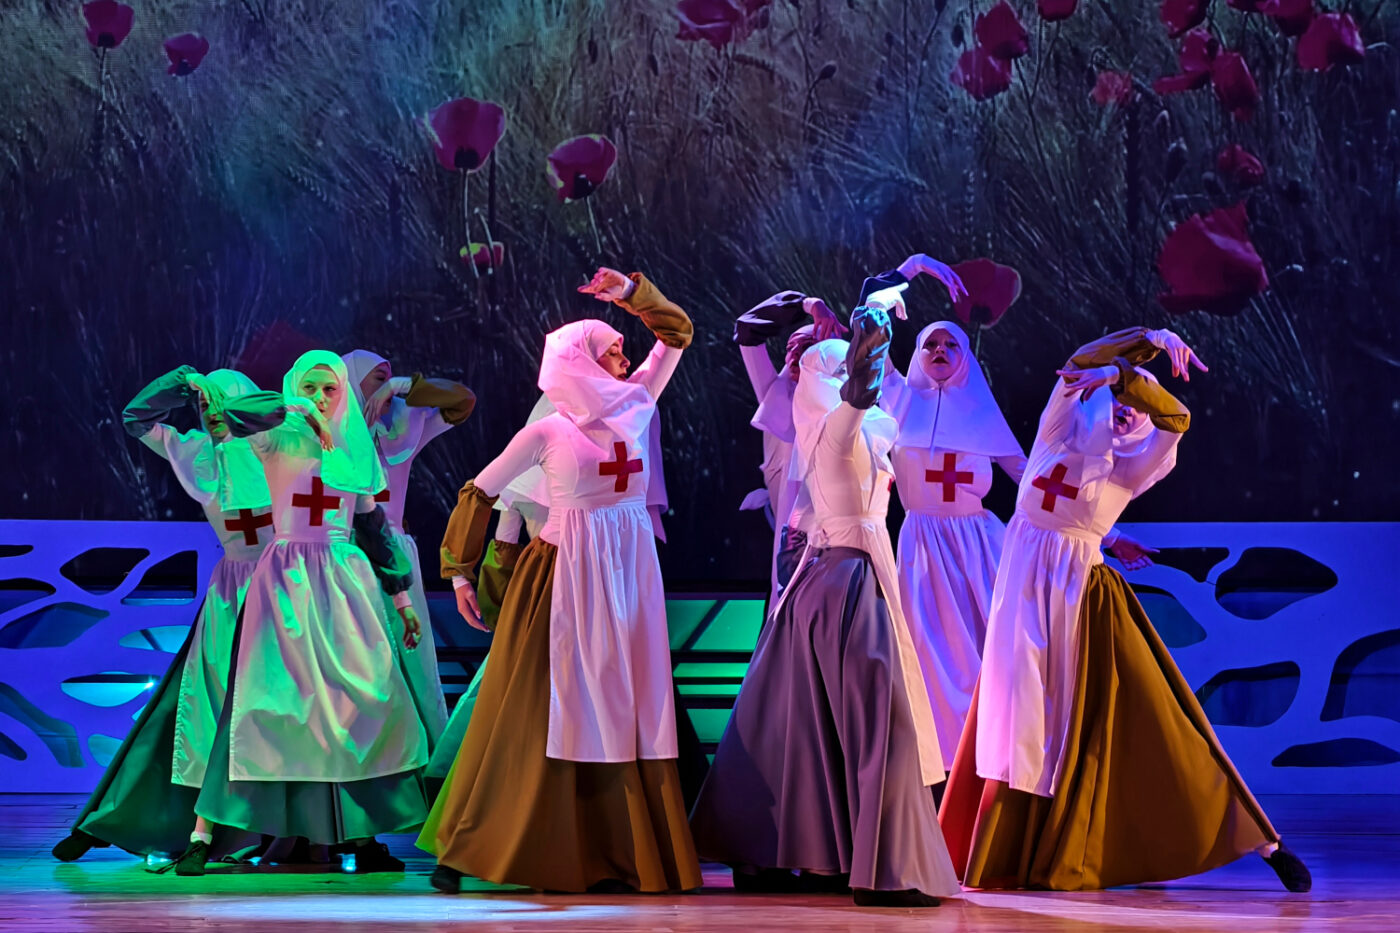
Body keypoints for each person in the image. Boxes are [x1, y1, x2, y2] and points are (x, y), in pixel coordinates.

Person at [938, 328, 1312, 893]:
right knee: (1015, 722)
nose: (1123, 412)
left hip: (1079, 600)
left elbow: (1177, 419)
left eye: (1134, 407)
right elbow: (1076, 364)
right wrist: (1148, 338)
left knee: (1155, 717)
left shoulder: (1128, 468)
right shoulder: (1057, 433)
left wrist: (1124, 375)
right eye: (1117, 402)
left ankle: (1263, 842)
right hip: (1022, 598)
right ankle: (1002, 849)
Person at [421, 268, 701, 895]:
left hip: (628, 577)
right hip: (559, 576)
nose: (625, 360)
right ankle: (474, 845)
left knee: (625, 705)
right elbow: (482, 491)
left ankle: (620, 851)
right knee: (532, 711)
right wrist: (460, 572)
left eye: (623, 351)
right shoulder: (547, 430)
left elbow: (678, 333)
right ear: (579, 363)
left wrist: (629, 296)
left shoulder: (639, 403)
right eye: (612, 352)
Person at [690, 302, 960, 908]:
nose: (845, 377)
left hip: (836, 577)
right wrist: (872, 331)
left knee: (806, 723)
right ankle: (889, 871)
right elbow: (862, 390)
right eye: (834, 371)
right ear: (821, 383)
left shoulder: (852, 434)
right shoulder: (833, 429)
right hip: (846, 582)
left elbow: (869, 395)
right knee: (882, 724)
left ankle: (810, 855)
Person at [175, 350, 430, 876]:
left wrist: (403, 600)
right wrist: (297, 410)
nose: (319, 398)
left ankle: (359, 834)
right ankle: (206, 832)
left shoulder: (353, 451)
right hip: (284, 583)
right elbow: (240, 413)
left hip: (343, 586)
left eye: (328, 390)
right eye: (308, 387)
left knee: (359, 702)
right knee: (262, 703)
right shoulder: (275, 438)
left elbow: (375, 532)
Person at [53, 367, 280, 864]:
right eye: (205, 407)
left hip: (279, 590)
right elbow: (136, 418)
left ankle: (268, 830)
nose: (211, 415)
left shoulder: (274, 450)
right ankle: (121, 820)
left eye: (221, 405)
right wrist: (183, 383)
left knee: (268, 709)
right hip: (228, 592)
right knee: (197, 709)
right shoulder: (195, 451)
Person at [341, 350, 476, 748]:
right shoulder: (328, 438)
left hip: (394, 555)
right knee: (357, 659)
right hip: (347, 555)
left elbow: (463, 401)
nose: (386, 386)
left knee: (412, 657)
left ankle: (425, 753)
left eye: (390, 377)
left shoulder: (402, 428)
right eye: (377, 379)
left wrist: (402, 387)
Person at [733, 292, 845, 597]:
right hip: (790, 531)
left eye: (807, 348)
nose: (795, 356)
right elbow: (747, 328)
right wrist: (810, 305)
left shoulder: (847, 407)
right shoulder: (775, 395)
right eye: (791, 349)